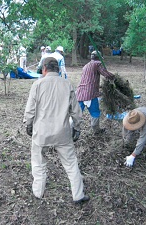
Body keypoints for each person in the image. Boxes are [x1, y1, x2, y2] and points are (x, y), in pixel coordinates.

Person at [23, 57, 89, 204]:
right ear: (58, 69)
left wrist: (28, 125)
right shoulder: (67, 84)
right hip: (62, 132)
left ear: (44, 69)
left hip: (41, 132)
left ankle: (38, 192)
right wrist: (77, 128)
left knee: (38, 163)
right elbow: (76, 112)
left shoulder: (37, 84)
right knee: (71, 164)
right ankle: (78, 195)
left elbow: (30, 110)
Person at [76, 50, 115, 134]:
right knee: (95, 112)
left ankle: (72, 129)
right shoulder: (97, 64)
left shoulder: (86, 66)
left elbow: (89, 79)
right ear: (98, 58)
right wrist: (114, 77)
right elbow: (106, 74)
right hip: (90, 94)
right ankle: (96, 129)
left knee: (77, 113)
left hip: (80, 93)